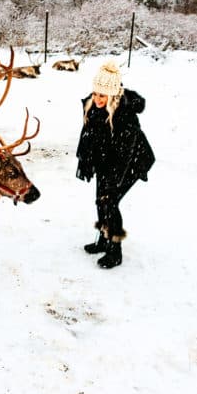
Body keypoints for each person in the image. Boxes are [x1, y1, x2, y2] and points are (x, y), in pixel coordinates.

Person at [76, 61, 155, 268]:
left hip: (132, 163)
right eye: (95, 93)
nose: (97, 99)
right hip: (107, 158)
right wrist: (87, 161)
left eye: (103, 95)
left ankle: (115, 251)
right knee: (100, 200)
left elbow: (124, 154)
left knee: (109, 201)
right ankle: (103, 239)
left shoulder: (125, 115)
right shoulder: (91, 106)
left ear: (113, 95)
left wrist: (112, 181)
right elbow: (90, 137)